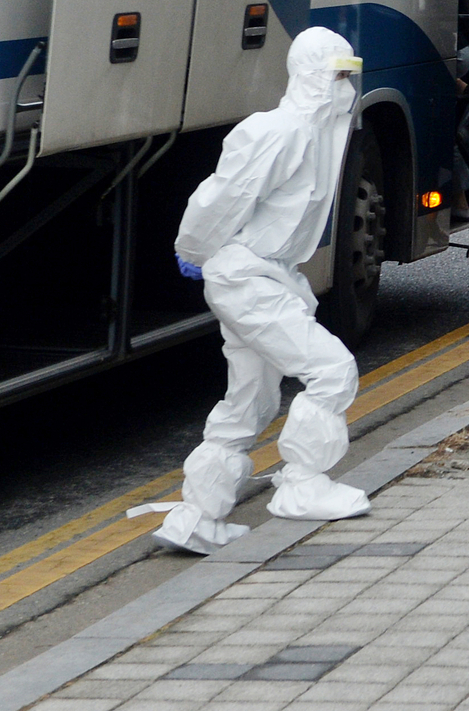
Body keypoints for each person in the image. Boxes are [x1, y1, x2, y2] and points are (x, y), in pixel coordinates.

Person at [157, 29, 372, 553]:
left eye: (348, 74)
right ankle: (300, 485)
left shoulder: (313, 133)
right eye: (336, 74)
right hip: (247, 277)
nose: (343, 85)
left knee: (247, 403)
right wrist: (197, 249)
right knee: (331, 369)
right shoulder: (279, 131)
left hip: (262, 276)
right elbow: (223, 198)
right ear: (311, 73)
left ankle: (197, 519)